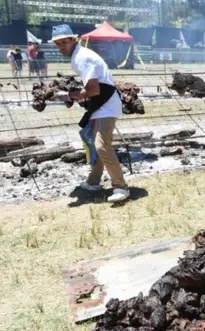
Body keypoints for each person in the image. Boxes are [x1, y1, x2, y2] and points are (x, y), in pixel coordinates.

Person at [49, 24, 130, 203]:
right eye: (58, 44)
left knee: (102, 146)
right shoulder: (78, 56)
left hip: (106, 105)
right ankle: (93, 182)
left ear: (73, 40)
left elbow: (92, 90)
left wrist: (68, 95)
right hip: (102, 104)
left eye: (64, 42)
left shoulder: (82, 58)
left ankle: (121, 187)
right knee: (97, 146)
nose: (61, 46)